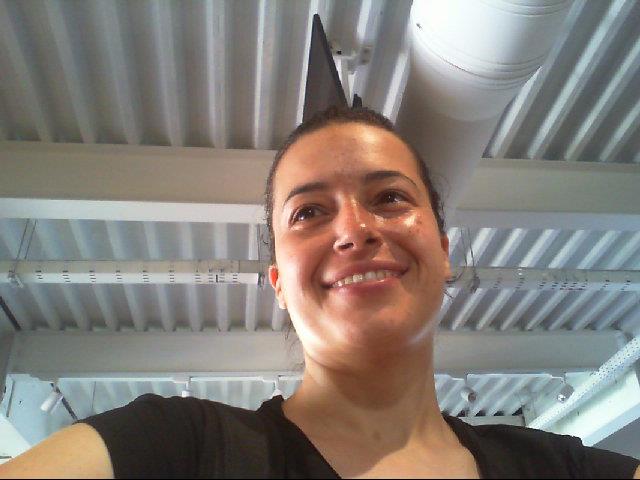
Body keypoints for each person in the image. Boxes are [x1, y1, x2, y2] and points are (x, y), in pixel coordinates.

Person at [1, 106, 639, 479]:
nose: (355, 230)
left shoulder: (556, 469)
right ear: (278, 283)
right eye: (308, 212)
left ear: (444, 252)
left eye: (390, 197)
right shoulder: (176, 449)